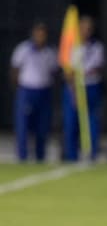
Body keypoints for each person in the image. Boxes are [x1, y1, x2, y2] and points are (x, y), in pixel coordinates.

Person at [10, 21, 59, 162]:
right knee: (23, 126)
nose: (40, 37)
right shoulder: (23, 49)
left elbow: (54, 72)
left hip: (43, 91)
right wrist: (18, 89)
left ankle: (40, 156)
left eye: (43, 35)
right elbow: (15, 70)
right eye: (38, 34)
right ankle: (22, 156)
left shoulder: (50, 52)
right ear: (33, 34)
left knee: (42, 127)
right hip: (27, 90)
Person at [61, 15, 105, 161]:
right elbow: (67, 69)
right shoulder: (72, 46)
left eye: (89, 29)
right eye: (84, 28)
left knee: (92, 121)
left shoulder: (96, 47)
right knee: (71, 122)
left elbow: (98, 67)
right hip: (74, 87)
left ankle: (91, 153)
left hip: (91, 87)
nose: (87, 31)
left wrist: (83, 73)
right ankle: (71, 155)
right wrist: (73, 85)